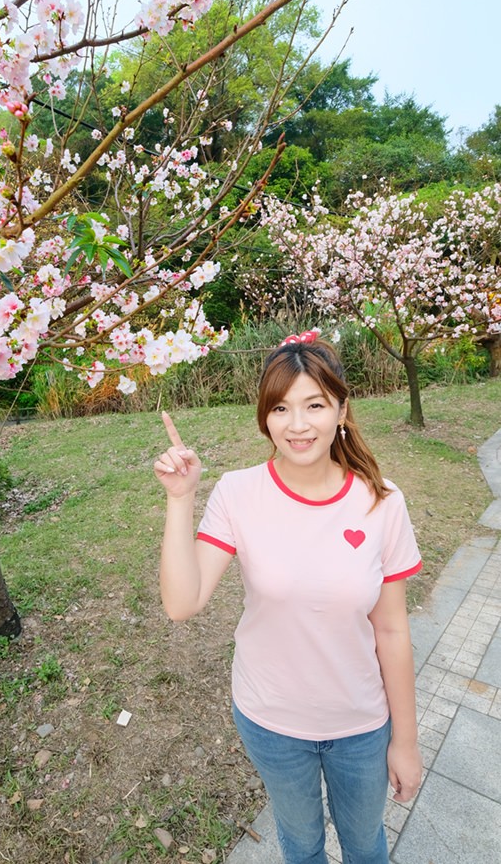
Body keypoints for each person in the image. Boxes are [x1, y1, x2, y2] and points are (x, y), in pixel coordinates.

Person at [154, 331, 423, 864]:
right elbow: (182, 603)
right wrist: (180, 500)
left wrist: (406, 742)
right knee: (301, 846)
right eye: (280, 408)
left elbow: (392, 630)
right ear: (265, 417)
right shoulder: (237, 491)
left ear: (342, 410)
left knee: (366, 846)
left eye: (314, 405)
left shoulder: (382, 503)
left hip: (361, 724)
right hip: (271, 721)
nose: (297, 426)